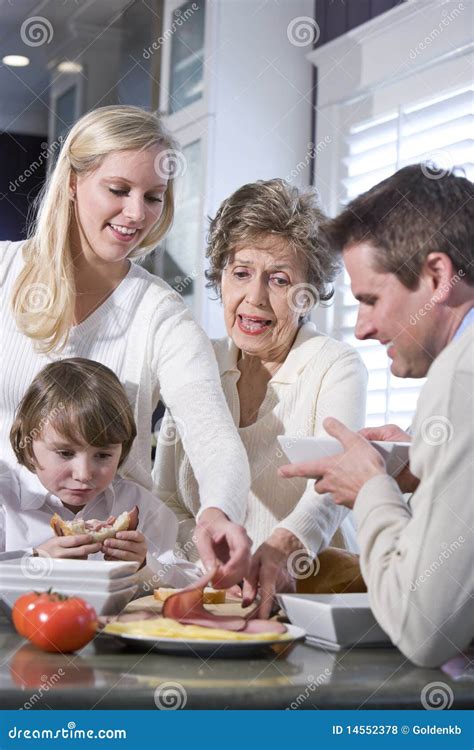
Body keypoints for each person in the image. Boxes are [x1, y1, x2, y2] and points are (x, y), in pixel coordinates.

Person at [0, 105, 251, 587]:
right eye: (118, 190)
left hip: (116, 567)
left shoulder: (159, 313)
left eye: (153, 197)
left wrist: (217, 512)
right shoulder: (6, 274)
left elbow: (214, 437)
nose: (137, 214)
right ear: (73, 182)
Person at [280, 164, 474, 667]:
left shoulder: (460, 372)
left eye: (370, 299)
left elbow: (423, 629)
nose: (362, 328)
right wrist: (424, 466)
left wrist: (370, 488)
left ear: (435, 277)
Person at [153, 179, 368, 616]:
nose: (254, 298)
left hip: (317, 597)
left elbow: (335, 486)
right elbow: (168, 499)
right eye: (241, 273)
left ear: (309, 293)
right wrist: (209, 562)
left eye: (279, 280)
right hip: (219, 600)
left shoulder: (336, 365)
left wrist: (284, 547)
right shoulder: (198, 363)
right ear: (220, 276)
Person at [2, 358, 200, 591]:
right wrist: (34, 559)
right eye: (65, 453)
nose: (84, 474)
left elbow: (193, 585)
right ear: (28, 446)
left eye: (103, 455)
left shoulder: (142, 507)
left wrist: (146, 564)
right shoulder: (6, 501)